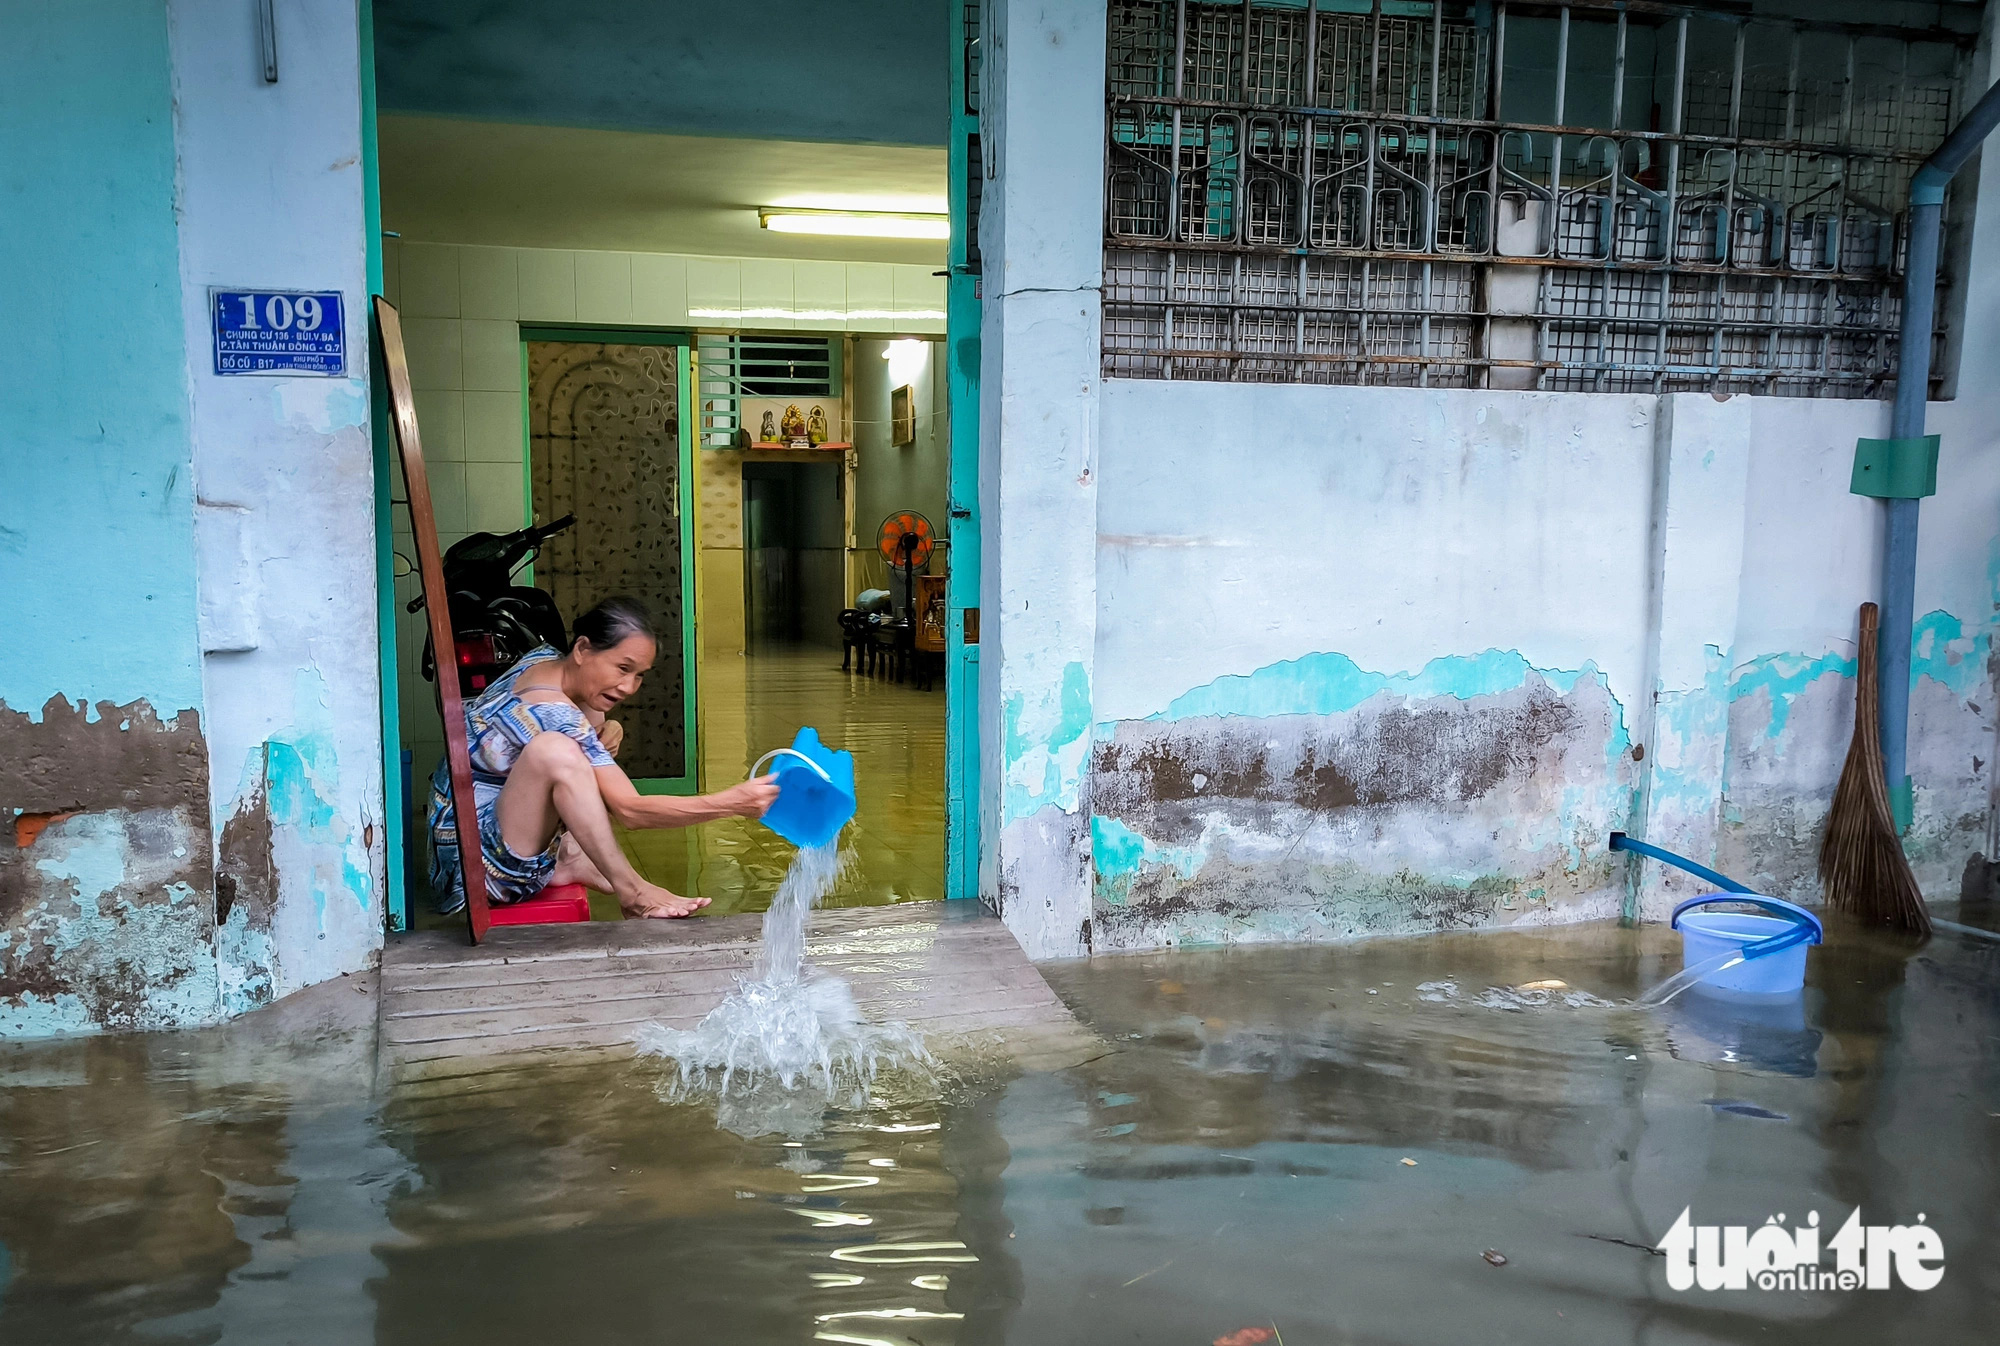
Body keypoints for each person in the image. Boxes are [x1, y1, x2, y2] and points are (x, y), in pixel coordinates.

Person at [428, 596, 777, 918]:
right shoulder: (556, 714)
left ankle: (569, 858)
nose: (628, 687)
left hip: (462, 832)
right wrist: (731, 803)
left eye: (639, 675)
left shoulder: (543, 660)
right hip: (472, 868)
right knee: (556, 753)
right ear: (582, 648)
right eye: (622, 668)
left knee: (587, 724)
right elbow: (630, 811)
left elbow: (579, 722)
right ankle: (633, 891)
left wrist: (611, 728)